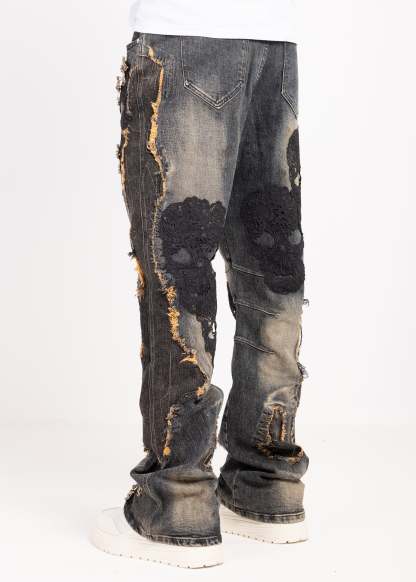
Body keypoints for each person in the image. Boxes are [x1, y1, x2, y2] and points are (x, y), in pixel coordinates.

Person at [91, 0, 308, 568]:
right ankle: (267, 483)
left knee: (178, 277)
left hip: (184, 32)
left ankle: (178, 501)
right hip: (274, 43)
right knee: (272, 271)